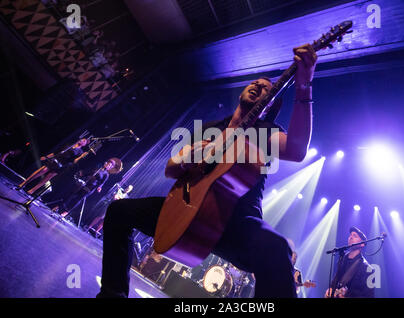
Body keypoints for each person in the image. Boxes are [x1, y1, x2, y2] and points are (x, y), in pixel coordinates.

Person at [97, 43, 317, 298]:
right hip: (187, 210)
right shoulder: (213, 127)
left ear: (270, 105)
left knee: (277, 249)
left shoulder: (266, 132)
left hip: (237, 221)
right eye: (254, 82)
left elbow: (298, 150)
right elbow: (171, 169)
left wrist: (304, 86)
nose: (258, 85)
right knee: (119, 211)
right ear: (241, 92)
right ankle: (112, 295)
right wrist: (189, 156)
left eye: (266, 88)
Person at [17, 138, 90, 195]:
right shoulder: (69, 144)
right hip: (55, 160)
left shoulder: (80, 152)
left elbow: (74, 161)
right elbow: (56, 152)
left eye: (84, 141)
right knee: (40, 171)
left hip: (62, 165)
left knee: (47, 177)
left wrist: (81, 156)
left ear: (84, 145)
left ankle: (32, 190)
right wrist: (46, 157)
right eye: (82, 139)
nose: (82, 141)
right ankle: (23, 184)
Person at [325, 227, 375, 298]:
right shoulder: (342, 259)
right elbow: (336, 278)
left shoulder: (367, 268)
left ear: (362, 244)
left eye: (355, 236)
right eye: (350, 235)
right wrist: (331, 288)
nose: (351, 237)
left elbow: (369, 295)